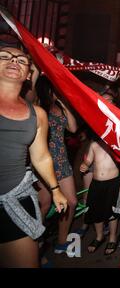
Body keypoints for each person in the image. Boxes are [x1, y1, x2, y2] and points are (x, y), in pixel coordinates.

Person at [0, 46, 67, 267]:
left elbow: (40, 157)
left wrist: (56, 190)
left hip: (16, 200)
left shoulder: (37, 114)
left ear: (29, 74)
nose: (13, 61)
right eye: (5, 57)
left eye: (21, 60)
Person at [35, 76, 78, 254]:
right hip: (42, 160)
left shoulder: (59, 106)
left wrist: (64, 103)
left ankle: (61, 241)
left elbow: (73, 129)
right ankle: (33, 243)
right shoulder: (38, 107)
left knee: (72, 202)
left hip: (61, 159)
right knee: (44, 205)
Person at [80, 135, 120, 256]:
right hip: (96, 184)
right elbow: (88, 161)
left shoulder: (116, 146)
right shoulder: (94, 145)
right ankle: (99, 236)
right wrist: (85, 164)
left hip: (112, 185)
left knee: (112, 212)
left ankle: (112, 238)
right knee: (96, 211)